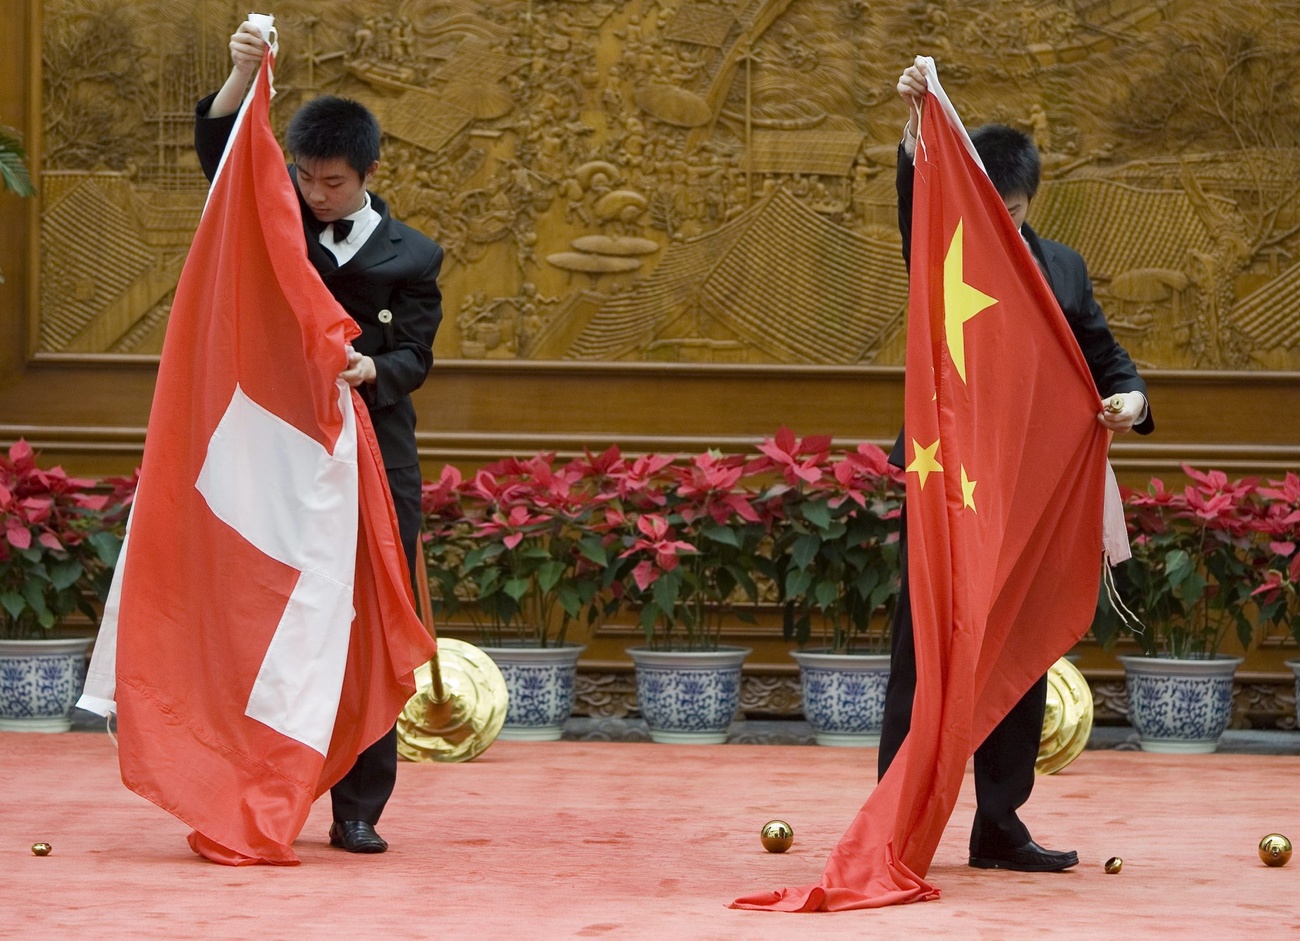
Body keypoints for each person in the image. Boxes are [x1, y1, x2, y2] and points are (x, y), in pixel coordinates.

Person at [877, 57, 1154, 873]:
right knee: (923, 647)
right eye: (985, 203)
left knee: (1021, 650)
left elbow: (1110, 361)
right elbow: (912, 199)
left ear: (1033, 201)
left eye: (1013, 207)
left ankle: (998, 824)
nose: (997, 220)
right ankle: (897, 821)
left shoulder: (1063, 266)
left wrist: (1127, 404)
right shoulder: (943, 243)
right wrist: (918, 125)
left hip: (1030, 490)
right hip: (950, 478)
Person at [195, 21, 445, 855]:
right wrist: (240, 74)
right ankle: (260, 785)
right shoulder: (278, 224)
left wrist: (375, 372)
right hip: (279, 459)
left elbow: (415, 354)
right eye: (303, 178)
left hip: (376, 461)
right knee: (269, 618)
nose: (314, 195)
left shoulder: (414, 254)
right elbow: (224, 155)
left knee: (365, 629)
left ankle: (359, 805)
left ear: (368, 173)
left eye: (332, 182)